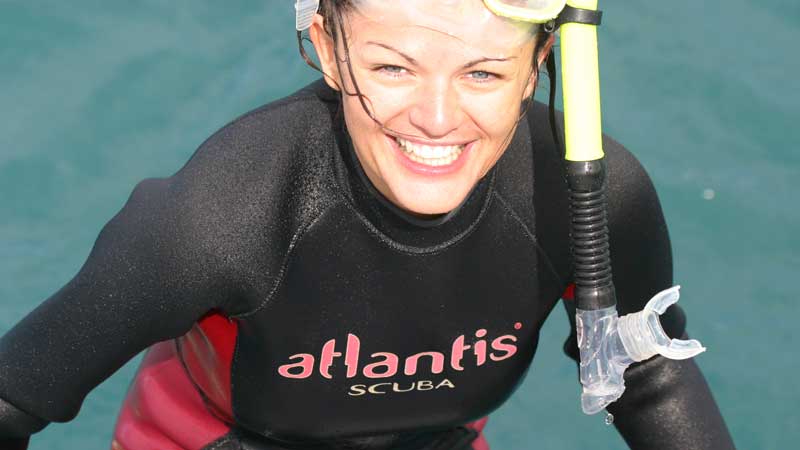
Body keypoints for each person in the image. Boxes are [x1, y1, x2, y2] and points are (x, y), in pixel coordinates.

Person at [0, 1, 735, 449]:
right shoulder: (221, 214)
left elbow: (647, 378)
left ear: (540, 60)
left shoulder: (593, 197)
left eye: (482, 73)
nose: (439, 119)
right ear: (326, 46)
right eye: (392, 69)